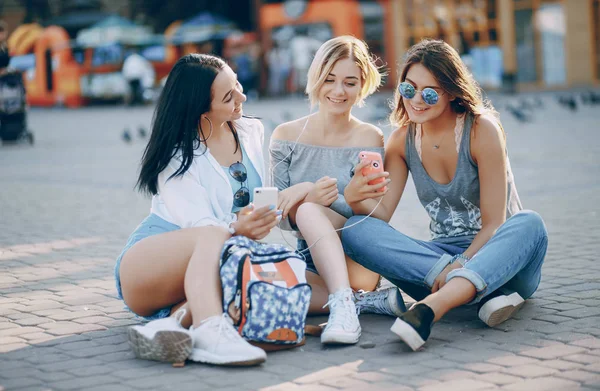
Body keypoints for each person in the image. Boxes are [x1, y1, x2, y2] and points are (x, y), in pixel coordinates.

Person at [341, 39, 548, 351]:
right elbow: (379, 216)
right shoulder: (401, 142)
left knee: (530, 223)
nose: (416, 101)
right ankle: (479, 297)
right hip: (437, 265)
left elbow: (494, 223)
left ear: (451, 91)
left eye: (429, 92)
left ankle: (431, 309)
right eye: (408, 89)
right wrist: (355, 196)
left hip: (504, 256)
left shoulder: (481, 130)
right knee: (356, 229)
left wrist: (463, 262)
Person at [116, 54, 280, 366]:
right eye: (229, 96)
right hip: (149, 267)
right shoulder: (176, 156)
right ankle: (209, 331)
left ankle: (172, 326)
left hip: (218, 260)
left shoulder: (249, 131)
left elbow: (259, 202)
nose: (242, 98)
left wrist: (285, 204)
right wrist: (239, 228)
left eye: (238, 86)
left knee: (300, 281)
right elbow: (204, 226)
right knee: (213, 234)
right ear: (201, 110)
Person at [270, 36, 404, 346]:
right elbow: (276, 215)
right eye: (329, 79)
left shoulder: (369, 137)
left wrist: (316, 201)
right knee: (259, 283)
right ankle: (362, 302)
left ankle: (344, 307)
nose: (338, 91)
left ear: (362, 85)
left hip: (357, 259)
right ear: (316, 78)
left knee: (307, 208)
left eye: (349, 82)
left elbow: (374, 217)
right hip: (308, 261)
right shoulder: (286, 135)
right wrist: (306, 193)